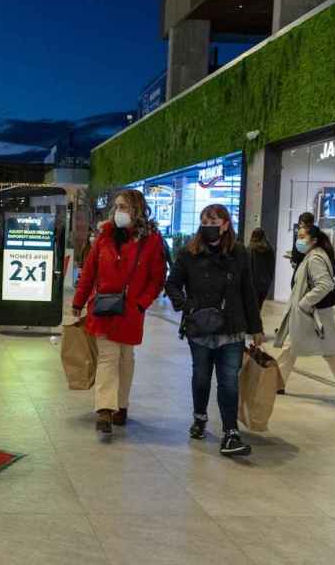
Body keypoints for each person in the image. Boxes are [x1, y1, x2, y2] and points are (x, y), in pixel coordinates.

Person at [166, 205, 263, 456]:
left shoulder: (239, 253)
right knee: (201, 376)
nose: (208, 224)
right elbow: (172, 283)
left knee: (229, 381)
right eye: (204, 220)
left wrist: (256, 328)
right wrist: (187, 306)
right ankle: (199, 418)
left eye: (213, 220)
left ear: (225, 224)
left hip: (231, 328)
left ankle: (230, 433)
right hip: (199, 328)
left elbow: (248, 291)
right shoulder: (189, 253)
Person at [72, 189, 166, 434]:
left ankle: (121, 406)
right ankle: (105, 409)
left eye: (123, 207)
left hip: (131, 311)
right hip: (103, 307)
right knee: (108, 357)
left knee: (126, 359)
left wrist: (141, 303)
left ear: (136, 210)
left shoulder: (151, 240)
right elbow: (89, 271)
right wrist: (78, 301)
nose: (118, 212)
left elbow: (157, 278)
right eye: (116, 207)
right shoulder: (104, 236)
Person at [274, 224, 335, 407]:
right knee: (297, 347)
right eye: (298, 236)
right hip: (313, 315)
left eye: (302, 237)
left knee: (323, 351)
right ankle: (276, 383)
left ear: (314, 240)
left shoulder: (315, 258)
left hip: (311, 315)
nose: (298, 240)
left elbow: (324, 284)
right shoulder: (313, 255)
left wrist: (304, 303)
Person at [248, 227, 276, 312]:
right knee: (258, 307)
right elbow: (271, 267)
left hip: (252, 285)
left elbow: (247, 267)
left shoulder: (250, 249)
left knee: (251, 309)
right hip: (264, 285)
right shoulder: (269, 249)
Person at [288, 212, 315, 282]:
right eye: (300, 224)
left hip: (306, 269)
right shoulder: (299, 234)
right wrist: (293, 258)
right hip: (299, 267)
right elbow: (296, 248)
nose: (301, 228)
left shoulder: (314, 238)